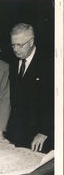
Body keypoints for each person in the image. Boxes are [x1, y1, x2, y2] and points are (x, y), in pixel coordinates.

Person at [8, 23, 54, 152]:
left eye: (19, 45)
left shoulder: (49, 63)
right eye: (13, 45)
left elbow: (55, 101)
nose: (15, 49)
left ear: (31, 41)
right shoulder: (11, 62)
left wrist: (45, 131)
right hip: (16, 136)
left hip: (40, 138)